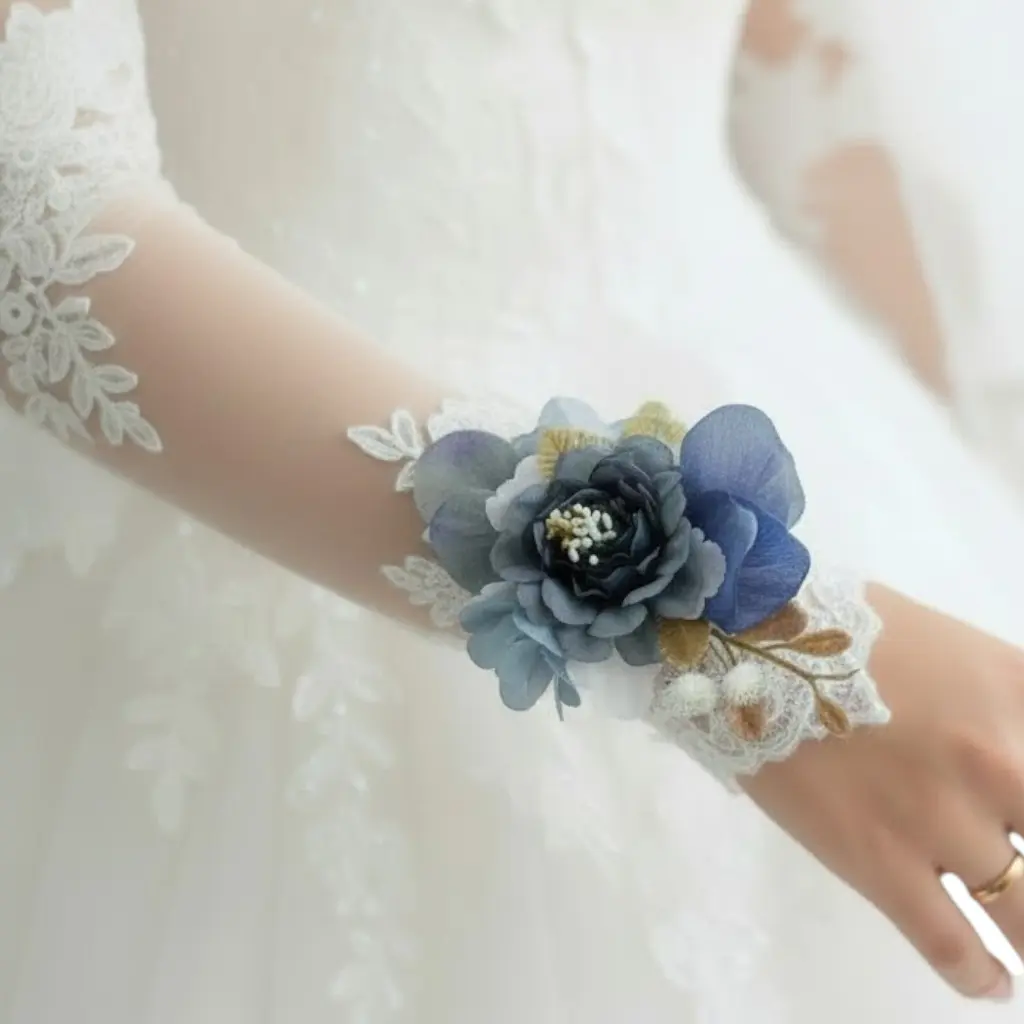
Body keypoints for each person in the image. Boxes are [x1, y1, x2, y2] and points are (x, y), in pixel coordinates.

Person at [2, 0, 1024, 1020]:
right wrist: (749, 654)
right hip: (268, 496)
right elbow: (41, 227)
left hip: (808, 419)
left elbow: (799, 69)